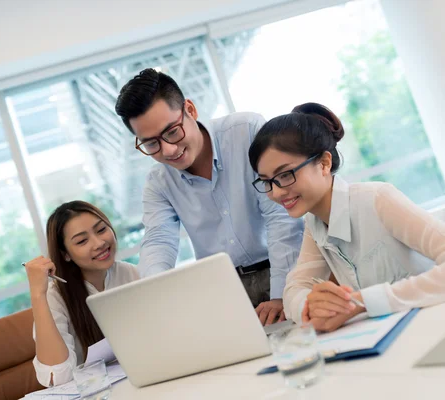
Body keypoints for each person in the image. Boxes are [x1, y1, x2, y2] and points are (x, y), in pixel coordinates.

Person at [248, 102, 445, 332]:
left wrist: (360, 303)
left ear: (324, 163)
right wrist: (314, 306)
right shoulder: (314, 222)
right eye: (267, 182)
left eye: (285, 175)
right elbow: (294, 289)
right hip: (398, 339)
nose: (276, 192)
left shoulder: (377, 198)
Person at [115, 68, 303, 325]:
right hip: (227, 291)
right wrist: (154, 295)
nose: (168, 150)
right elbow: (159, 242)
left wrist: (282, 293)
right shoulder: (158, 183)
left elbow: (280, 215)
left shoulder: (246, 132)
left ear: (190, 110)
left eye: (172, 132)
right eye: (151, 144)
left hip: (286, 269)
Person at [24, 201, 139, 387]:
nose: (99, 243)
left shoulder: (131, 273)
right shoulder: (56, 297)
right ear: (65, 254)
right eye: (82, 241)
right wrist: (38, 294)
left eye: (101, 230)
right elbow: (56, 377)